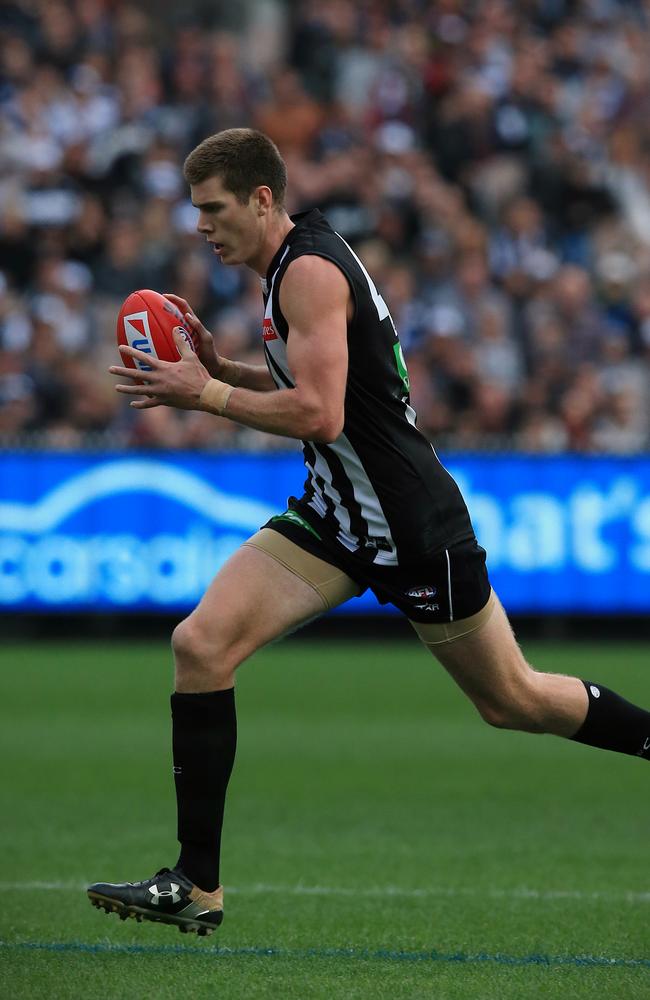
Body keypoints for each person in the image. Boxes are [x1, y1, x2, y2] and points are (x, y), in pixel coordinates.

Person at [88, 128, 650, 936]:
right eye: (194, 212)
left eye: (213, 210)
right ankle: (197, 884)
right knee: (200, 645)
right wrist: (222, 372)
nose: (202, 227)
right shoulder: (288, 267)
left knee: (512, 700)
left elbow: (319, 411)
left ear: (262, 198)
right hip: (337, 515)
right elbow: (324, 394)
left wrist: (203, 398)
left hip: (412, 524)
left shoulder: (308, 273)